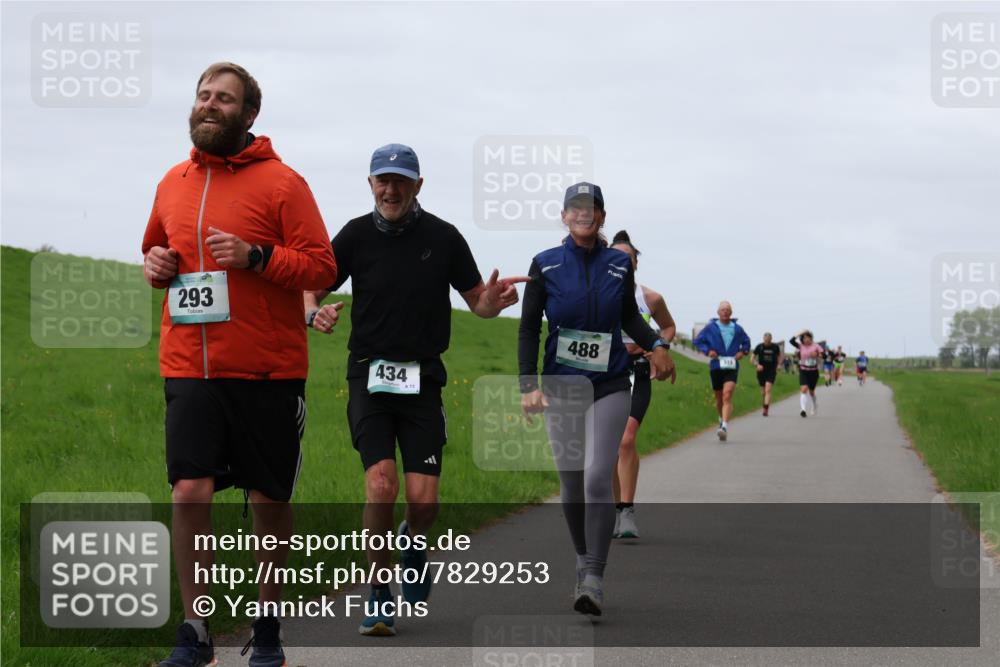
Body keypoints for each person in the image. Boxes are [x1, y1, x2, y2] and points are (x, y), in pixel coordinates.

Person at [142, 62, 337, 667]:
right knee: (188, 490)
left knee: (267, 498)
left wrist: (257, 256)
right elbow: (154, 250)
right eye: (203, 94)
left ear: (249, 114)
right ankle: (196, 632)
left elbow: (321, 266)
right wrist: (155, 265)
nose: (209, 104)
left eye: (223, 98)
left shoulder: (284, 183)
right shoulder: (172, 181)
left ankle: (267, 626)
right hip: (189, 365)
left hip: (266, 370)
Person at [304, 144, 526, 636]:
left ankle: (411, 540)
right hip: (369, 376)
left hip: (423, 379)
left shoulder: (444, 238)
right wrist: (312, 312)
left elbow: (478, 301)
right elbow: (312, 287)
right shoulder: (355, 235)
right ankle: (379, 592)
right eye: (382, 180)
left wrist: (493, 302)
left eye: (400, 181)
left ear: (418, 186)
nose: (391, 189)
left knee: (424, 503)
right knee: (381, 484)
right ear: (370, 184)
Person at [519, 183, 674, 616]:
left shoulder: (618, 265)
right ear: (564, 215)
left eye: (592, 208)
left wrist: (658, 345)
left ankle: (594, 576)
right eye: (576, 208)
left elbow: (629, 318)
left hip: (609, 384)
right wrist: (528, 385)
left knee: (596, 478)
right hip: (561, 387)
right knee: (571, 483)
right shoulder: (545, 264)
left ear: (602, 217)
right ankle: (582, 556)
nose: (584, 214)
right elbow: (528, 328)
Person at [608, 230, 677, 539]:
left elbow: (668, 326)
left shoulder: (650, 298)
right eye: (615, 257)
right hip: (605, 373)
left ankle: (626, 511)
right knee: (609, 446)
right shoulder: (596, 294)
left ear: (636, 263)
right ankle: (614, 509)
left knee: (626, 440)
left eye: (629, 259)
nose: (623, 263)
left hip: (637, 372)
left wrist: (658, 347)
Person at [693, 302, 751, 441]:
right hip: (716, 365)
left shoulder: (737, 328)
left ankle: (724, 427)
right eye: (722, 310)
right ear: (718, 312)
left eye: (727, 310)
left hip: (732, 365)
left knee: (727, 394)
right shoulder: (711, 327)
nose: (725, 312)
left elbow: (746, 342)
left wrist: (743, 352)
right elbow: (698, 341)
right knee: (719, 399)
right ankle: (721, 418)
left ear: (731, 312)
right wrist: (708, 351)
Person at [790, 330, 824, 417]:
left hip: (813, 372)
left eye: (807, 337)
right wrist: (800, 333)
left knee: (811, 392)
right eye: (804, 338)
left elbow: (824, 355)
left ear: (811, 338)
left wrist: (817, 354)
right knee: (804, 389)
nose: (806, 339)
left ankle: (814, 405)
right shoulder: (801, 346)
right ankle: (803, 410)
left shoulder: (816, 346)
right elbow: (791, 341)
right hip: (803, 370)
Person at [751, 332, 783, 416]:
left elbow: (779, 356)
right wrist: (757, 365)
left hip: (771, 370)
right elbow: (752, 358)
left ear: (771, 339)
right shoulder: (759, 346)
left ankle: (765, 410)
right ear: (763, 339)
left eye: (769, 339)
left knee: (768, 389)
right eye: (766, 339)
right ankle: (765, 404)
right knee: (763, 392)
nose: (767, 340)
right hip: (761, 371)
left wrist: (779, 364)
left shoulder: (775, 347)